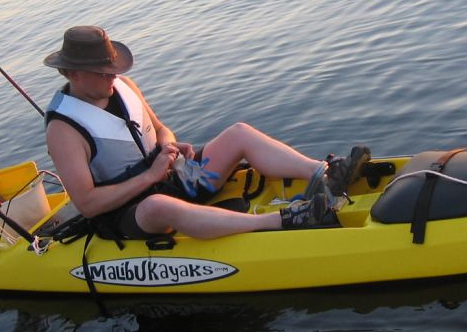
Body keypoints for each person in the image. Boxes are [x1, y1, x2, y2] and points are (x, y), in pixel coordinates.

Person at [44, 25, 369, 239]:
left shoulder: (123, 85)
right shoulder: (63, 130)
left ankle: (325, 175)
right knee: (158, 205)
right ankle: (283, 220)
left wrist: (169, 147)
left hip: (174, 177)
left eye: (112, 70)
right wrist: (150, 176)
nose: (112, 78)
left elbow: (160, 129)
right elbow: (88, 204)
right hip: (130, 214)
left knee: (239, 133)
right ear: (74, 73)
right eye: (103, 73)